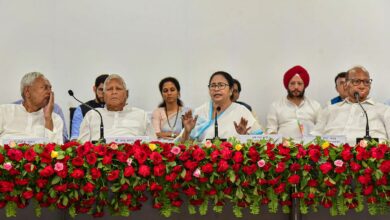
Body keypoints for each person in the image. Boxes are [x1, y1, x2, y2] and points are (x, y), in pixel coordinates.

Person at [311, 66, 390, 145]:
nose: (362, 86)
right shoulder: (330, 110)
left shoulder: (384, 110)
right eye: (356, 81)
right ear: (345, 85)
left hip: (370, 156)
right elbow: (313, 138)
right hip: (331, 155)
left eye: (366, 82)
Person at [180, 71, 263, 143]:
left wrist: (245, 136)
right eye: (213, 85)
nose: (216, 89)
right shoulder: (200, 112)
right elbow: (184, 147)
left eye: (221, 85)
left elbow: (260, 142)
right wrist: (187, 132)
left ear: (231, 90)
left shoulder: (242, 111)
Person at [78, 74, 153, 143]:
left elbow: (154, 144)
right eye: (110, 89)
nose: (114, 92)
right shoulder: (92, 114)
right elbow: (82, 146)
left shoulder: (141, 114)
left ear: (126, 94)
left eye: (118, 88)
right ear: (103, 95)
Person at [0, 72, 63, 144]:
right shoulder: (4, 112)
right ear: (27, 92)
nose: (50, 92)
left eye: (50, 88)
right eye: (45, 88)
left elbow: (57, 151)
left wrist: (48, 119)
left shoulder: (55, 119)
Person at [266, 65, 321, 140]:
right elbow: (271, 130)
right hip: (283, 148)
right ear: (287, 85)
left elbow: (321, 128)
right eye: (292, 83)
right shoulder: (275, 106)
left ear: (304, 85)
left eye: (299, 83)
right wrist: (281, 141)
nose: (296, 87)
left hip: (310, 147)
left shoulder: (315, 105)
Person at [70, 74, 108, 140]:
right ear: (94, 89)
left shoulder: (115, 109)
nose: (103, 93)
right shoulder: (81, 110)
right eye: (101, 89)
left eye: (107, 90)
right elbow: (75, 138)